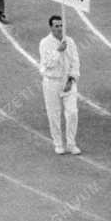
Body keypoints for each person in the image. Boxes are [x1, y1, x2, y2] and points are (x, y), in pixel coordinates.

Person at [39, 14, 81, 155]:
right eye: (56, 26)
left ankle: (71, 143)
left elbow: (75, 62)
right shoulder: (45, 43)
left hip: (67, 81)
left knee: (72, 112)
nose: (59, 28)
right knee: (54, 114)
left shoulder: (70, 41)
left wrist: (72, 79)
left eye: (61, 25)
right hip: (52, 82)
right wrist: (59, 51)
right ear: (51, 27)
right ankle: (58, 143)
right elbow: (47, 64)